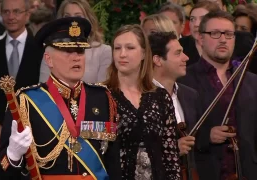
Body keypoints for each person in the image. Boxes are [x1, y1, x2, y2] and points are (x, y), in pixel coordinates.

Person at [0, 17, 121, 180]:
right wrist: (13, 156)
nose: (76, 57)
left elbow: (113, 162)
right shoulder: (26, 103)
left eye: (80, 51)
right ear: (49, 59)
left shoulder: (102, 98)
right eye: (68, 51)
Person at [178, 10, 257, 180]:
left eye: (229, 34)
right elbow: (175, 134)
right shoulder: (184, 80)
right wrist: (206, 136)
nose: (223, 39)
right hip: (204, 172)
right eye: (215, 33)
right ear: (200, 38)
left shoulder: (251, 81)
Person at [104, 24, 181, 180]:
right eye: (117, 48)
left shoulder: (160, 97)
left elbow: (170, 157)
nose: (122, 54)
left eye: (130, 48)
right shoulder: (102, 96)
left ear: (144, 54)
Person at [0, 0, 43, 179]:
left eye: (16, 12)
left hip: (35, 139)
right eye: (6, 12)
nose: (11, 17)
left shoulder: (42, 52)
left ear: (27, 15)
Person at [149, 31, 199, 179]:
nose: (186, 58)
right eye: (178, 53)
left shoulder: (190, 95)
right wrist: (170, 149)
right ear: (157, 60)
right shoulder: (140, 97)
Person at [40, 0, 112, 84]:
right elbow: (44, 86)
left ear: (88, 19)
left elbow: (103, 91)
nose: (72, 21)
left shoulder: (103, 51)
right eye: (67, 16)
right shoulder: (51, 50)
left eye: (78, 17)